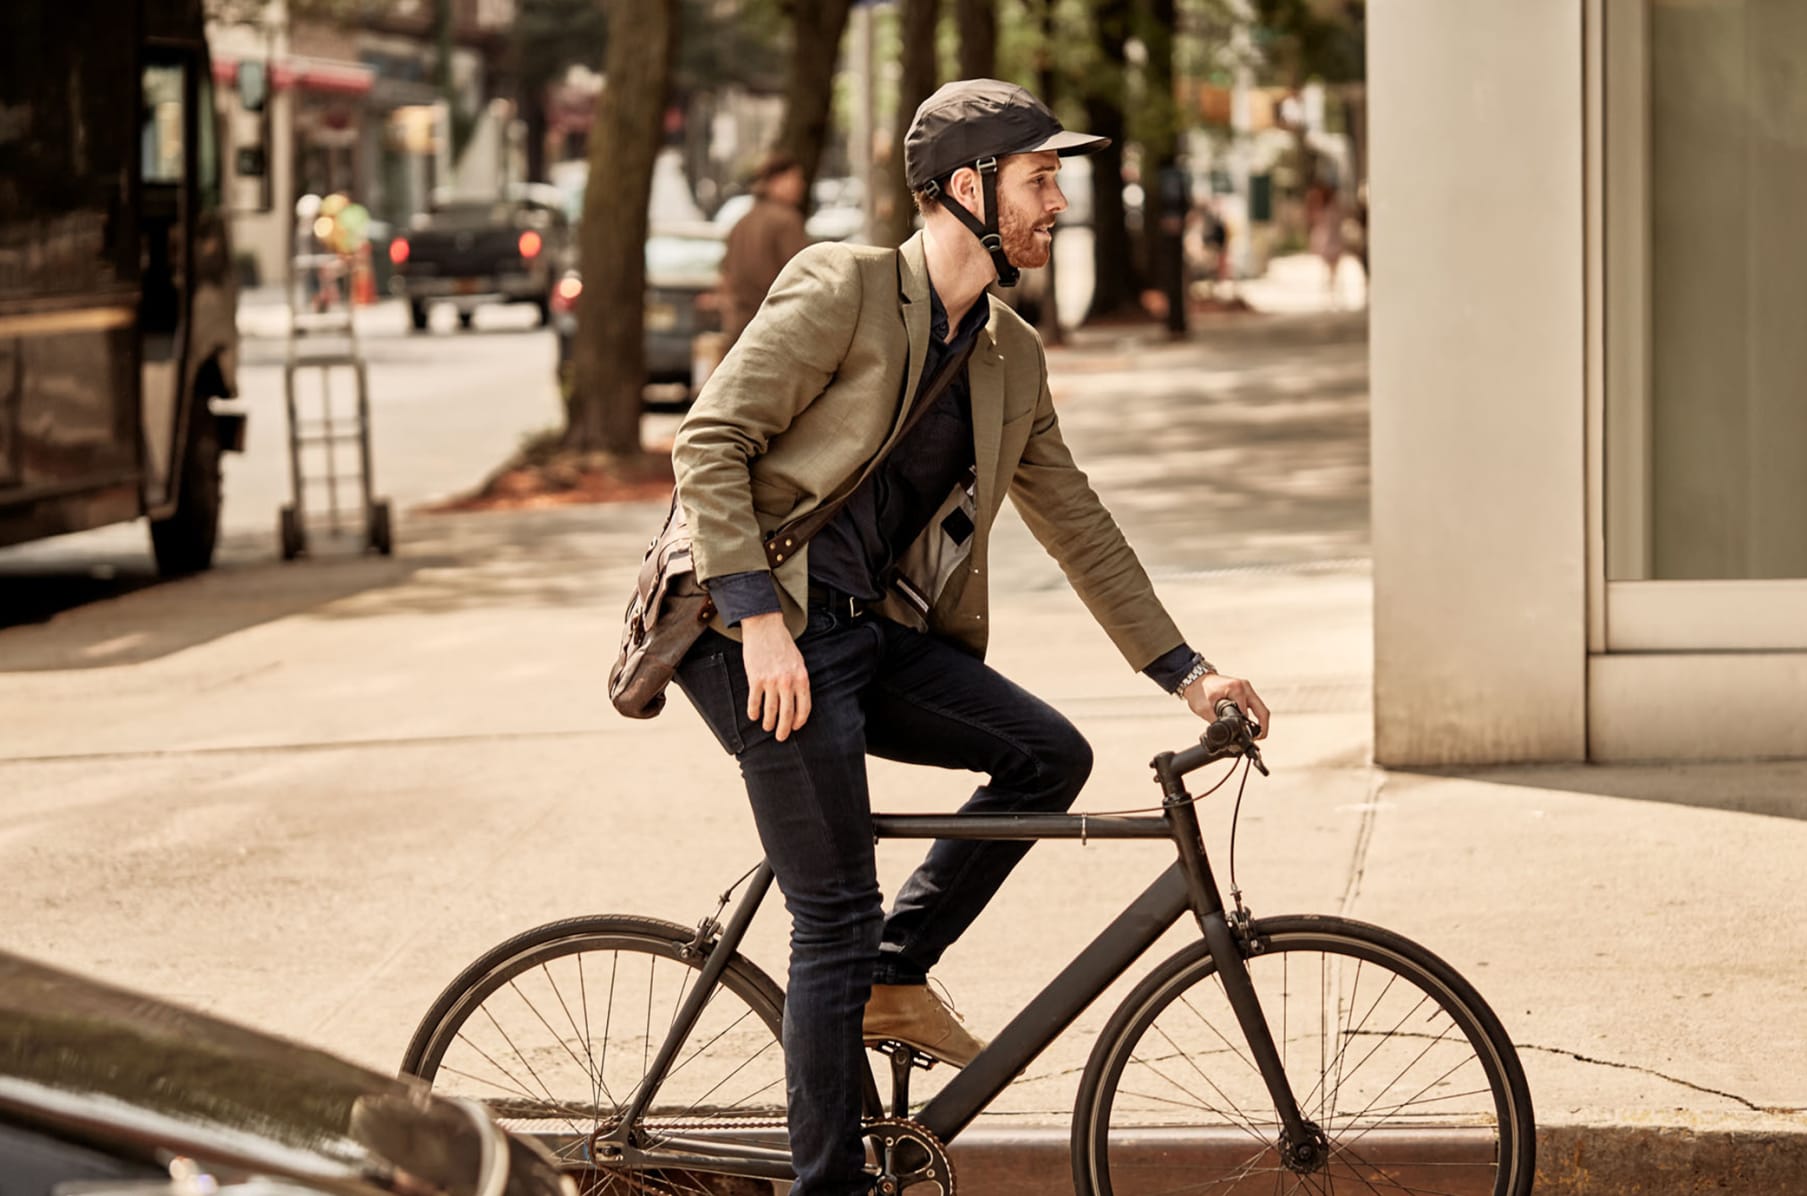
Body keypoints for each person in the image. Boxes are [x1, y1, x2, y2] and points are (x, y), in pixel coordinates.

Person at [668, 79, 1270, 1196]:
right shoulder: (841, 288)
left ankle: (899, 969)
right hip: (750, 632)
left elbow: (1075, 519)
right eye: (1040, 181)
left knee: (1047, 755)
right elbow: (707, 444)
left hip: (862, 634)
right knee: (830, 917)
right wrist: (757, 621)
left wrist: (1185, 671)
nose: (1058, 205)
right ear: (966, 188)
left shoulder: (1006, 352)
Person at [719, 150, 812, 343]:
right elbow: (801, 274)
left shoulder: (742, 222)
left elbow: (725, 276)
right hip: (776, 326)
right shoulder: (787, 221)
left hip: (740, 328)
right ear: (778, 181)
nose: (801, 186)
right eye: (796, 179)